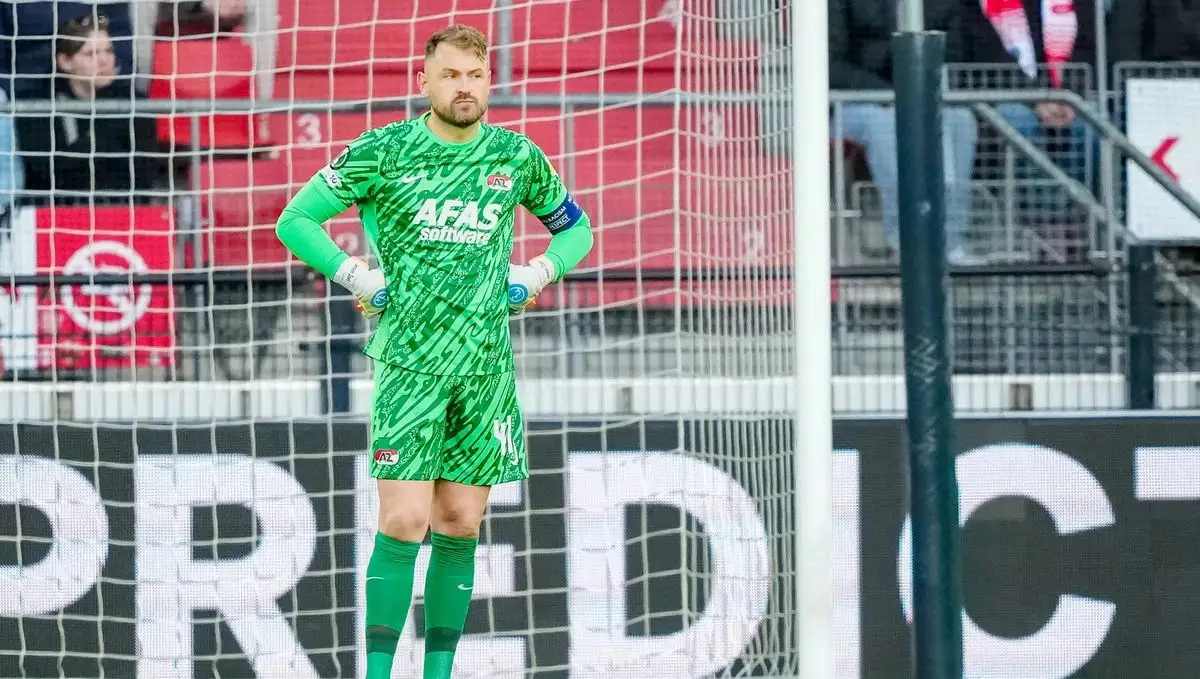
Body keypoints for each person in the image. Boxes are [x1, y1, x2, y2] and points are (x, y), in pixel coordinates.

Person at [273, 24, 594, 679]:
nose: (464, 87)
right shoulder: (384, 150)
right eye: (450, 76)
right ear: (425, 82)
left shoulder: (516, 156)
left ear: (489, 81)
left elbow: (577, 230)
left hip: (485, 370)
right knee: (403, 519)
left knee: (460, 521)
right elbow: (295, 220)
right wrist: (357, 276)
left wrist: (536, 273)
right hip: (410, 367)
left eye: (474, 76)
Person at [829, 0, 983, 265]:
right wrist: (890, 94)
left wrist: (921, 87)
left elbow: (955, 56)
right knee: (885, 124)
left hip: (924, 93)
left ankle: (950, 242)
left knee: (961, 120)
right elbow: (831, 65)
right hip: (854, 100)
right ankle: (906, 243)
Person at [14, 13, 173, 202]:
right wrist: (100, 147)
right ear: (64, 61)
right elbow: (44, 173)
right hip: (56, 210)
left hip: (119, 208)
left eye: (109, 51)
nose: (104, 61)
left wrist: (81, 153)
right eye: (91, 54)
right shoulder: (37, 104)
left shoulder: (134, 103)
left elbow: (143, 174)